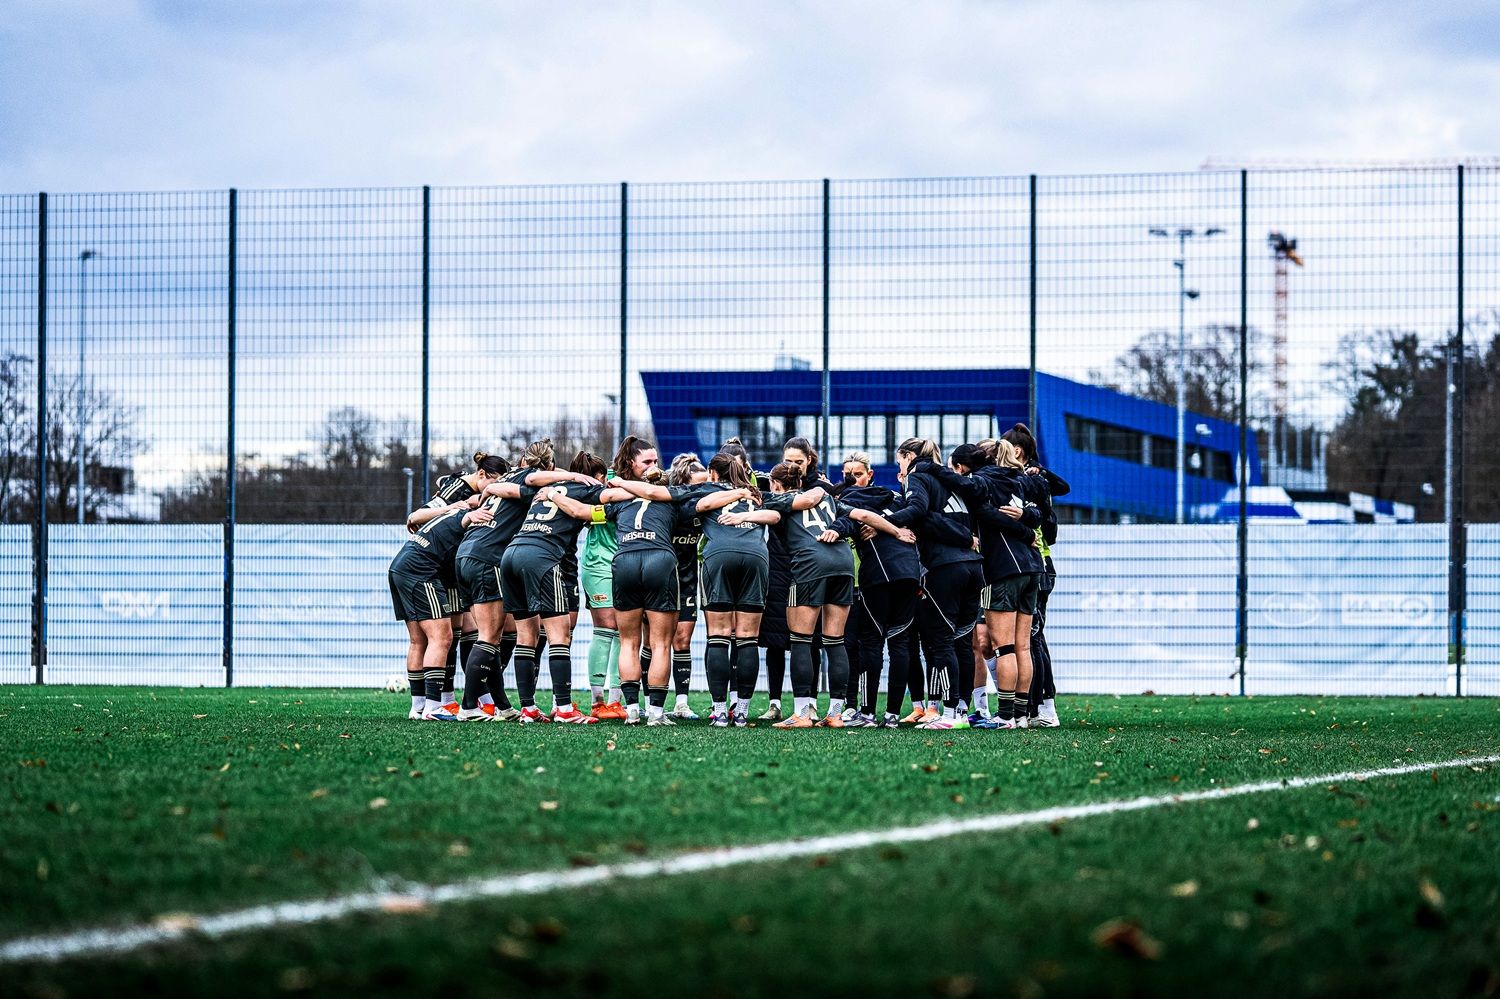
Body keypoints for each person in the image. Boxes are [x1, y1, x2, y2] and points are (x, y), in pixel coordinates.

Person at [756, 460, 914, 729]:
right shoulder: (827, 498)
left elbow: (769, 514)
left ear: (775, 483)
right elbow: (864, 516)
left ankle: (802, 714)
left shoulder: (778, 499)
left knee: (801, 640)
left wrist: (741, 516)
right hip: (843, 564)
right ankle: (836, 713)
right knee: (835, 640)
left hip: (810, 564)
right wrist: (897, 531)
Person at [452, 441, 596, 721]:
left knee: (496, 637)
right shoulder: (530, 479)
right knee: (489, 637)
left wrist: (489, 489)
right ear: (549, 466)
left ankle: (504, 706)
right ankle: (469, 707)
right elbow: (531, 480)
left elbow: (505, 488)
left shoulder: (505, 478)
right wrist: (573, 476)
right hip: (488, 556)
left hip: (466, 554)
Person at [918, 440, 1045, 729]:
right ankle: (1021, 715)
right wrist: (1027, 528)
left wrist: (929, 467)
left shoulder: (983, 481)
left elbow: (985, 512)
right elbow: (1040, 511)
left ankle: (1005, 716)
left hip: (1003, 568)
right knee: (1023, 647)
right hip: (1032, 566)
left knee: (1004, 647)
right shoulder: (1019, 479)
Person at [498, 451, 619, 724]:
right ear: (597, 477)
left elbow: (508, 487)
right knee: (559, 635)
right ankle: (564, 709)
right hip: (541, 558)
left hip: (511, 554)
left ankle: (528, 709)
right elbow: (611, 498)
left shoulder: (548, 485)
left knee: (526, 637)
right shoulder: (589, 488)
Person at [897, 438, 986, 730]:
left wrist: (883, 521)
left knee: (941, 643)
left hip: (945, 568)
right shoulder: (956, 480)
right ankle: (960, 710)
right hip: (974, 566)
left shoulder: (918, 477)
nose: (900, 467)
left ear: (908, 456)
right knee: (962, 642)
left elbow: (918, 512)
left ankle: (947, 716)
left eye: (900, 460)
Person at [414, 455, 511, 713]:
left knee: (467, 631)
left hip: (457, 565)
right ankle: (444, 701)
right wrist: (456, 507)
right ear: (481, 474)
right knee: (449, 636)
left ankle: (473, 699)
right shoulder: (459, 489)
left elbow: (443, 481)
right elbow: (417, 515)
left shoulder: (467, 485)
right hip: (439, 567)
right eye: (494, 482)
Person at [834, 452, 922, 727]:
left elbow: (851, 520)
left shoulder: (848, 499)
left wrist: (840, 529)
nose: (851, 479)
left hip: (879, 576)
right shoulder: (896, 497)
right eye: (848, 474)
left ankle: (867, 713)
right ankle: (892, 715)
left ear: (869, 474)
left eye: (856, 474)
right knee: (900, 643)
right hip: (910, 573)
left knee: (871, 643)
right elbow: (917, 516)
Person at [582, 436, 662, 720]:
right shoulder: (611, 481)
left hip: (628, 564)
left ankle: (617, 700)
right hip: (600, 563)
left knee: (626, 632)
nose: (653, 466)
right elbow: (589, 506)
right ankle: (597, 700)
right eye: (647, 461)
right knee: (607, 628)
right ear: (631, 462)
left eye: (656, 461)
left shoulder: (651, 485)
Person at [388, 490, 485, 721]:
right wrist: (476, 513)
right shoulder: (465, 514)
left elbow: (415, 517)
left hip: (400, 567)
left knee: (418, 641)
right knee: (442, 638)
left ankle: (418, 707)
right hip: (420, 573)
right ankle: (433, 707)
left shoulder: (449, 510)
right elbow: (466, 517)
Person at [692, 452, 771, 727]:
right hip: (756, 557)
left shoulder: (707, 489)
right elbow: (776, 514)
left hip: (719, 556)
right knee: (748, 638)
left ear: (713, 473)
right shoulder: (756, 492)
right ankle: (742, 712)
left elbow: (700, 505)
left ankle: (719, 712)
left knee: (718, 636)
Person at [1002, 424, 1069, 727]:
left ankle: (1044, 708)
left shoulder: (1033, 482)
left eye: (1002, 448)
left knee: (1031, 638)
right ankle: (1030, 708)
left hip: (1037, 564)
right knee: (1027, 638)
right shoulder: (1023, 480)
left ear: (1016, 451)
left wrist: (1038, 472)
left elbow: (1061, 491)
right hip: (1029, 564)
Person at [666, 453, 710, 719]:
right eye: (698, 485)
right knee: (653, 642)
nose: (703, 490)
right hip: (661, 578)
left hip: (688, 578)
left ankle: (681, 703)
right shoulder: (666, 504)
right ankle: (649, 702)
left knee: (682, 640)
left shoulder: (706, 507)